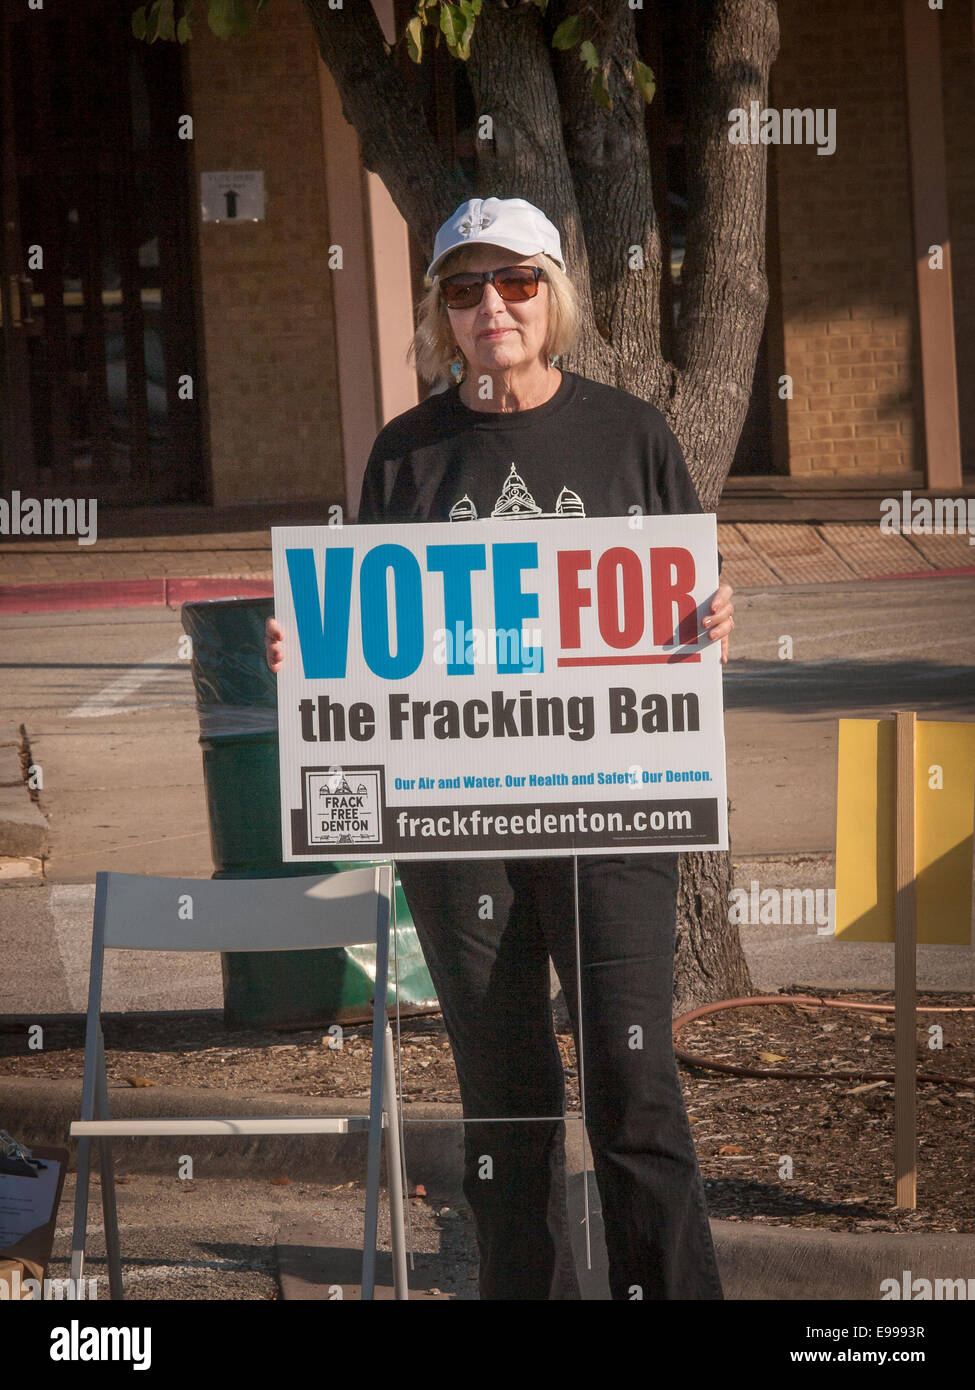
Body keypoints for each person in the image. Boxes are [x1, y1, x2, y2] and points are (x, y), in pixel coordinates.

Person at [267, 196, 735, 1300]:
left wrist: (717, 621)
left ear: (554, 295)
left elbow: (685, 601)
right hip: (459, 825)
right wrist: (312, 647)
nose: (494, 307)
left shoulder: (632, 435)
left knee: (634, 1077)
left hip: (614, 810)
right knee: (508, 1096)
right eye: (465, 288)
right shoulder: (407, 455)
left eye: (517, 282)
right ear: (441, 313)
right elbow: (368, 642)